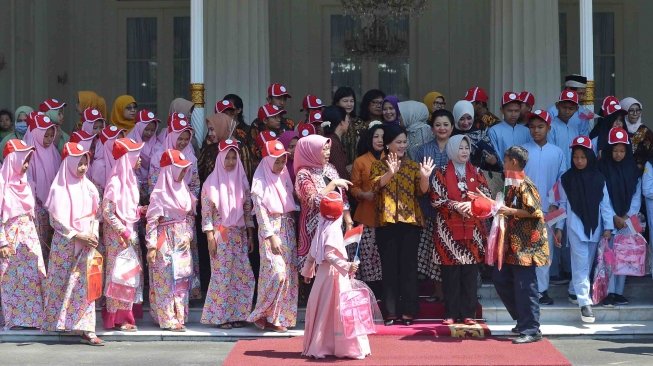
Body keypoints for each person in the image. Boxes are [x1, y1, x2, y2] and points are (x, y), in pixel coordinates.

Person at [370, 124, 434, 326]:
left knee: (408, 267)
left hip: (410, 222)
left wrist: (425, 177)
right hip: (386, 222)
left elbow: (422, 191)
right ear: (387, 144)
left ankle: (408, 311)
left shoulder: (414, 165)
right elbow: (374, 186)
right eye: (398, 142)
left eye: (404, 142)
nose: (402, 145)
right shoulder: (378, 166)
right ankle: (390, 312)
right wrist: (390, 172)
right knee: (389, 267)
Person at [42, 142, 102, 345]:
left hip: (86, 243)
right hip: (66, 244)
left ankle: (87, 328)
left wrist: (92, 235)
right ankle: (59, 323)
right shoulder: (58, 189)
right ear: (69, 163)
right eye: (79, 163)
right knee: (61, 282)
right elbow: (55, 220)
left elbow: (96, 215)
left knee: (85, 285)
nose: (83, 168)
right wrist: (77, 235)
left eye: (86, 163)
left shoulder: (90, 187)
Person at [301, 191, 371, 360]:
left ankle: (323, 344)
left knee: (324, 310)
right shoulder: (333, 229)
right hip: (335, 276)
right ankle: (345, 347)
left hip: (323, 277)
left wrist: (308, 269)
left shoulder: (322, 225)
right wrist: (347, 266)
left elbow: (313, 251)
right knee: (340, 309)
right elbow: (330, 255)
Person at [491, 146, 549, 344]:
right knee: (501, 278)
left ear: (513, 162)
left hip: (526, 246)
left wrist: (509, 211)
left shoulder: (525, 184)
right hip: (512, 246)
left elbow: (535, 211)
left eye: (505, 160)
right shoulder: (511, 184)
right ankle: (522, 319)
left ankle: (532, 328)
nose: (503, 164)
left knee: (526, 286)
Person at [431, 135, 489, 325]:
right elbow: (436, 199)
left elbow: (486, 199)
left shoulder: (478, 172)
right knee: (450, 275)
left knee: (470, 274)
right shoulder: (440, 172)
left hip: (473, 231)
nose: (464, 151)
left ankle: (468, 313)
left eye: (466, 148)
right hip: (448, 231)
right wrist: (456, 205)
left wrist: (472, 205)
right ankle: (450, 312)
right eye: (460, 148)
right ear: (452, 150)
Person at [556, 136, 613, 323]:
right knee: (581, 263)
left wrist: (608, 227)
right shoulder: (566, 179)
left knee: (586, 264)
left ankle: (574, 290)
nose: (578, 161)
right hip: (575, 227)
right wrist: (559, 228)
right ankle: (584, 303)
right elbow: (562, 205)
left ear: (589, 156)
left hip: (594, 228)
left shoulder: (599, 178)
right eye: (575, 157)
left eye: (582, 157)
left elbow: (605, 205)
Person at [200, 139, 255, 329]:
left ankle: (238, 314)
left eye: (234, 157)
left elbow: (247, 209)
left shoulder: (242, 180)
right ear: (219, 159)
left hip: (239, 234)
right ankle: (220, 317)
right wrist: (209, 238)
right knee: (222, 275)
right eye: (227, 158)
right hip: (220, 233)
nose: (231, 162)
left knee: (242, 275)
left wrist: (249, 233)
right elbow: (206, 214)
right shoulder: (210, 183)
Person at [248, 140, 298, 332]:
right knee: (276, 273)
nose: (280, 165)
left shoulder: (284, 175)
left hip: (287, 227)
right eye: (276, 161)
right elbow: (260, 212)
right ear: (267, 161)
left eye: (283, 160)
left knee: (289, 274)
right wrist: (270, 235)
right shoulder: (260, 181)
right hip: (271, 231)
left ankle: (279, 317)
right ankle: (262, 313)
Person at [149, 115, 201, 299]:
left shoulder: (191, 158)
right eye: (179, 138)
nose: (183, 142)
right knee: (165, 260)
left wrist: (188, 201)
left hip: (184, 213)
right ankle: (164, 301)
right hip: (165, 214)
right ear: (171, 136)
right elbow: (154, 184)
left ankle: (185, 297)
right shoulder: (158, 156)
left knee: (184, 256)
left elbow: (195, 184)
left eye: (186, 139)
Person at [145, 149, 195, 332]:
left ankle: (179, 315)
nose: (183, 172)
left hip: (182, 240)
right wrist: (151, 247)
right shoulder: (159, 194)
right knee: (165, 278)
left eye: (184, 169)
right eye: (179, 169)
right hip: (164, 240)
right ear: (169, 170)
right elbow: (151, 222)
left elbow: (189, 216)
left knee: (181, 278)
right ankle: (167, 318)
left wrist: (188, 235)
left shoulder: (184, 189)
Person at [522, 110, 567, 306]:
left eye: (540, 127)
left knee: (544, 252)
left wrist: (557, 209)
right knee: (524, 250)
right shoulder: (521, 151)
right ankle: (525, 289)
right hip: (525, 210)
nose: (535, 131)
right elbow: (514, 180)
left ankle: (541, 291)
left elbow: (561, 182)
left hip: (548, 211)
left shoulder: (557, 152)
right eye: (532, 127)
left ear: (549, 128)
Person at [0, 139, 46, 330]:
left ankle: (33, 319)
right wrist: (2, 242)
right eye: (23, 160)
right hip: (10, 238)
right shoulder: (2, 185)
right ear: (13, 160)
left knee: (32, 278)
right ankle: (15, 319)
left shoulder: (25, 184)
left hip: (29, 238)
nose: (26, 165)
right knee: (11, 279)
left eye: (28, 160)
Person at [101, 138, 145, 331]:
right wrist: (124, 230)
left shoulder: (131, 180)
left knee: (129, 274)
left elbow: (126, 208)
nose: (140, 159)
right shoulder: (115, 182)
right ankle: (117, 318)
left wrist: (139, 212)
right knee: (118, 275)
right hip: (118, 236)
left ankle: (127, 314)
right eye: (136, 156)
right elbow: (107, 211)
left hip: (129, 233)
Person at [412, 109, 455, 300]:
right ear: (432, 128)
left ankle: (454, 292)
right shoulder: (421, 150)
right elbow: (416, 180)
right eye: (438, 125)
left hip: (453, 211)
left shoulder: (459, 147)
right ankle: (438, 292)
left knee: (452, 251)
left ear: (452, 127)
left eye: (446, 124)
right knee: (433, 252)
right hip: (429, 209)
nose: (442, 128)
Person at [294, 134, 354, 268]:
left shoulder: (330, 168)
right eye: (324, 149)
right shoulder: (304, 174)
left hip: (336, 227)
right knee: (315, 269)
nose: (328, 153)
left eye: (328, 149)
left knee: (335, 268)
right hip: (314, 229)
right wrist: (332, 185)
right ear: (312, 151)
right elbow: (313, 201)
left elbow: (342, 196)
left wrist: (348, 221)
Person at [598, 128, 641, 307]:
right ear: (609, 150)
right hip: (609, 220)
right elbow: (603, 196)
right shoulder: (603, 168)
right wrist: (613, 218)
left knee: (623, 256)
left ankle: (618, 292)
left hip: (626, 221)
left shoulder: (632, 169)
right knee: (608, 257)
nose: (618, 154)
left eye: (622, 150)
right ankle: (607, 292)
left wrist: (628, 216)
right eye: (615, 150)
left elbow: (636, 196)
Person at [349, 121, 384, 286]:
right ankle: (370, 292)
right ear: (369, 139)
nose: (380, 140)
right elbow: (353, 187)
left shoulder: (392, 159)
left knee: (385, 256)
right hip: (367, 214)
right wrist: (363, 194)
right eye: (376, 136)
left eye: (383, 137)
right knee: (367, 256)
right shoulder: (360, 161)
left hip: (388, 216)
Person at [27, 114, 62, 265]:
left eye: (51, 136)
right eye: (45, 136)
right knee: (39, 243)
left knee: (52, 242)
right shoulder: (29, 153)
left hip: (53, 206)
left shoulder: (53, 151)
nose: (48, 140)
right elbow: (28, 181)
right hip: (37, 206)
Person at [488, 92, 532, 162]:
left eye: (516, 111)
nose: (513, 114)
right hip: (503, 171)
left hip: (523, 172)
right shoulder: (494, 131)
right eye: (509, 111)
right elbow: (496, 156)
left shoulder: (526, 131)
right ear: (502, 110)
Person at [127, 109, 160, 196]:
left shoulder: (157, 144)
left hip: (152, 187)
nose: (149, 133)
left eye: (152, 130)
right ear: (138, 127)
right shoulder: (129, 143)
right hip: (132, 186)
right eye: (146, 129)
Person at [549, 90, 587, 165]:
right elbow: (551, 153)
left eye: (571, 108)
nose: (567, 111)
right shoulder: (550, 127)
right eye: (564, 107)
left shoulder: (574, 127)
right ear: (557, 106)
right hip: (557, 168)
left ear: (576, 109)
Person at [88, 125, 126, 197]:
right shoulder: (99, 165)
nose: (121, 144)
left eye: (122, 140)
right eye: (117, 141)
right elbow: (97, 195)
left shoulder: (123, 160)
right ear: (107, 144)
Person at [620, 97, 653, 171]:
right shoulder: (619, 130)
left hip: (642, 174)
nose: (635, 114)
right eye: (631, 110)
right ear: (625, 112)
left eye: (638, 110)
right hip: (621, 172)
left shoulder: (645, 131)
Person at [334, 87, 365, 163]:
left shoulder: (359, 122)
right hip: (337, 166)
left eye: (352, 101)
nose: (349, 104)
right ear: (337, 103)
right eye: (345, 101)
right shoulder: (333, 122)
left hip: (358, 165)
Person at [322, 105, 351, 180]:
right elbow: (340, 173)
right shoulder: (332, 143)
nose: (349, 122)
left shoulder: (329, 139)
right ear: (341, 122)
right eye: (347, 119)